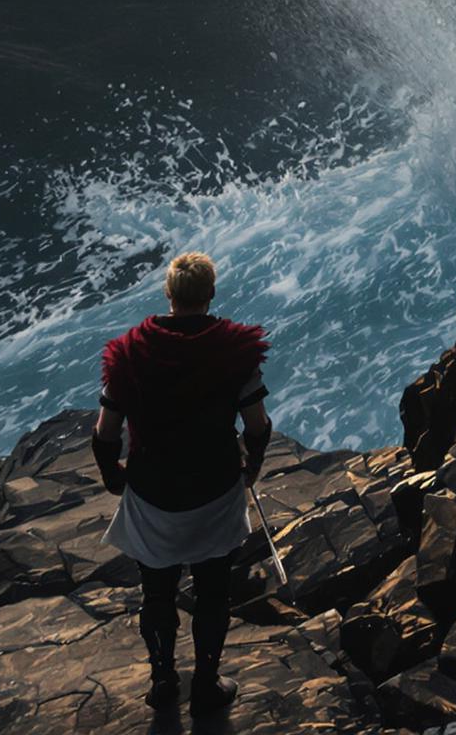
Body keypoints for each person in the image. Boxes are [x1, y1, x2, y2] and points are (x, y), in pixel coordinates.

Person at [92, 251, 272, 716]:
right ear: (210, 294)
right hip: (215, 492)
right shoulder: (236, 349)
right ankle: (207, 684)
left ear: (168, 295)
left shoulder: (128, 352)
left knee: (157, 594)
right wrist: (252, 464)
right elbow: (257, 424)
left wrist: (115, 478)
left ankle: (164, 682)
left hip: (153, 495)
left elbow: (105, 433)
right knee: (213, 593)